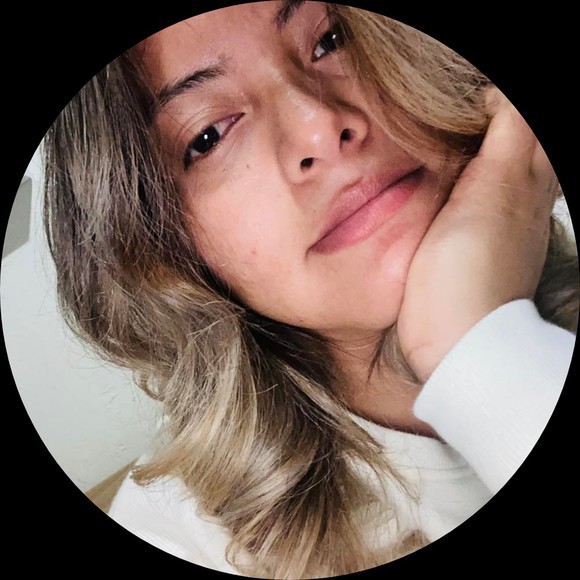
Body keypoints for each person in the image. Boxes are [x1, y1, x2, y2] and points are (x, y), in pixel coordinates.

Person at [42, 1, 577, 577]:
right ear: (164, 254)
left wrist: (479, 346)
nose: (321, 125)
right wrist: (479, 350)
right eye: (208, 135)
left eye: (331, 40)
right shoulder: (177, 538)